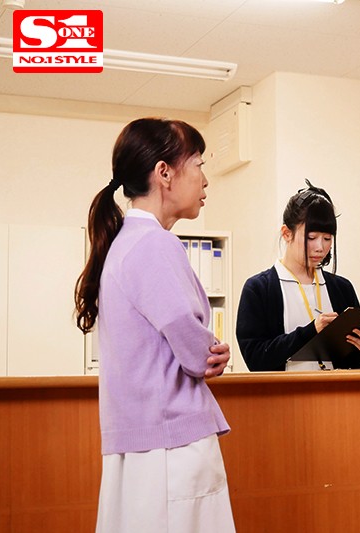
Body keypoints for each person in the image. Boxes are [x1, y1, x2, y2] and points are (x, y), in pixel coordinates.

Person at [74, 118, 236, 532]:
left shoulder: (124, 243)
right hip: (171, 447)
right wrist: (213, 352)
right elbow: (196, 352)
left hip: (142, 447)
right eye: (198, 164)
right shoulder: (155, 244)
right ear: (164, 173)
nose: (205, 180)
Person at [236, 180, 360, 371]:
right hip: (285, 390)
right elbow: (255, 359)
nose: (320, 247)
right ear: (287, 233)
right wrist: (311, 331)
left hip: (336, 390)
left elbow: (351, 363)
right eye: (311, 238)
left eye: (327, 238)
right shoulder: (259, 289)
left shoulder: (342, 288)